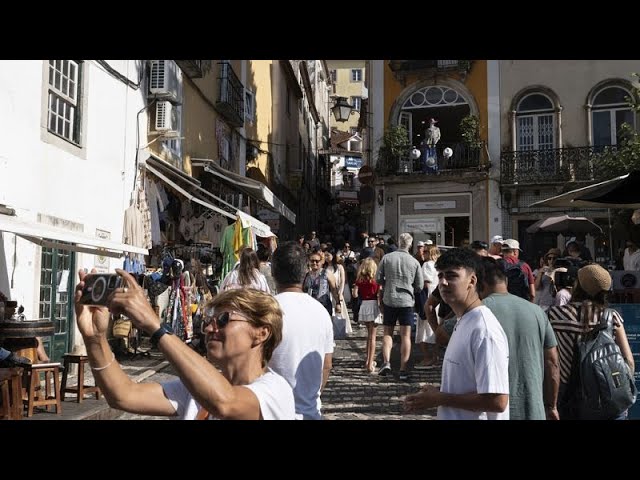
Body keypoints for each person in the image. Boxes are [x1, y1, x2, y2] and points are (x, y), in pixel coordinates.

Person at [74, 269, 295, 420]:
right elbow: (122, 395)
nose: (209, 329)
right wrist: (94, 338)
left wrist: (154, 325)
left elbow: (225, 402)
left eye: (224, 320)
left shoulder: (275, 391)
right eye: (209, 322)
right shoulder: (196, 388)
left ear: (261, 333)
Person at [403, 248, 510, 420]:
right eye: (440, 276)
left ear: (472, 281)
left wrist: (440, 398)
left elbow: (497, 401)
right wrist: (436, 394)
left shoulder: (484, 330)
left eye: (451, 276)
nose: (443, 282)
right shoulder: (463, 321)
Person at [547, 264, 634, 420]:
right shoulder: (611, 317)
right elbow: (629, 361)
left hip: (570, 398)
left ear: (577, 285)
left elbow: (550, 361)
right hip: (608, 396)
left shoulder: (554, 315)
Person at [478, 257, 560, 420]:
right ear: (506, 280)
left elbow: (441, 336)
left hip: (492, 412)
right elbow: (552, 362)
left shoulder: (477, 311)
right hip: (533, 410)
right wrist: (551, 406)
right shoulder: (537, 312)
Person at [269, 242, 334, 419]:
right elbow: (326, 365)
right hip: (310, 411)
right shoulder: (321, 312)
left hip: (273, 411)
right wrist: (312, 396)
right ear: (305, 271)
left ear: (273, 272)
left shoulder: (267, 310)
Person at [376, 232, 424, 381]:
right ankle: (403, 369)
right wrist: (410, 289)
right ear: (410, 244)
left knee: (388, 332)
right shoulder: (414, 262)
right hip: (407, 301)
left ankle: (386, 363)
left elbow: (378, 278)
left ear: (398, 242)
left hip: (390, 299)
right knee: (405, 336)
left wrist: (387, 285)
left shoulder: (387, 258)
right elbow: (420, 285)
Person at [353, 258, 382, 373]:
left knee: (368, 336)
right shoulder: (376, 281)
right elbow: (379, 294)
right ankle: (370, 363)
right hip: (374, 304)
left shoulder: (360, 280)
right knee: (373, 337)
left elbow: (354, 294)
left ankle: (367, 360)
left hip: (364, 305)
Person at [303, 251, 342, 317]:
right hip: (309, 307)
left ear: (321, 262)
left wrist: (338, 303)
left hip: (324, 307)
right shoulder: (306, 275)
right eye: (312, 261)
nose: (314, 263)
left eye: (317, 261)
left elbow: (334, 289)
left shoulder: (327, 273)